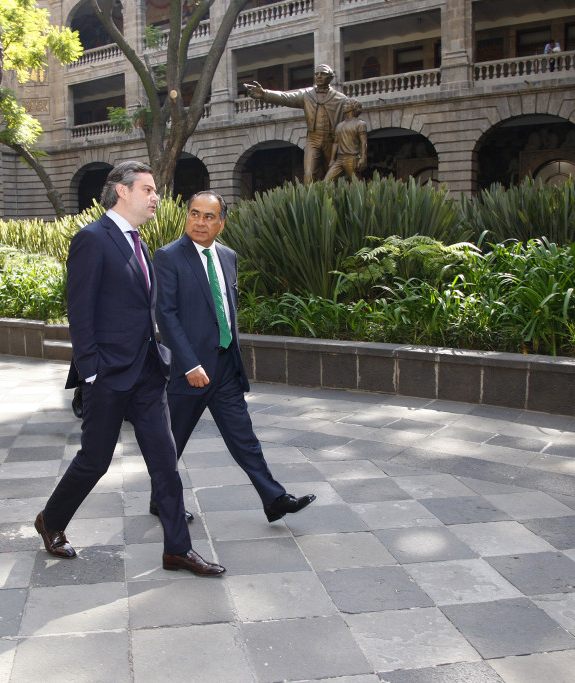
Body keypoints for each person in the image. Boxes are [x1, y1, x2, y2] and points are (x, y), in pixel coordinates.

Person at [34, 161, 225, 577]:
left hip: (148, 373)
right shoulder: (92, 239)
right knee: (95, 460)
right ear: (122, 191)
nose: (157, 197)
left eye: (156, 191)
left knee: (165, 461)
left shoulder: (139, 240)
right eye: (149, 189)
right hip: (109, 373)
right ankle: (51, 520)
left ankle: (178, 549)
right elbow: (80, 312)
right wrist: (92, 372)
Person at [153, 191, 316, 523]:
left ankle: (273, 499)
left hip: (225, 364)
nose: (200, 222)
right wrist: (190, 363)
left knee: (244, 437)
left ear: (221, 223)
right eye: (195, 214)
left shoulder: (228, 257)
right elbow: (165, 316)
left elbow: (225, 309)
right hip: (191, 369)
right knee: (172, 443)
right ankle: (162, 501)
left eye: (209, 216)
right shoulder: (168, 257)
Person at [244, 64, 348, 183]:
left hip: (332, 140)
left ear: (331, 77)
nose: (319, 76)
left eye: (323, 73)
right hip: (313, 140)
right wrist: (264, 94)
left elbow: (349, 125)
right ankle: (310, 200)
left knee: (334, 176)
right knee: (309, 174)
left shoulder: (341, 99)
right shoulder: (306, 95)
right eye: (316, 74)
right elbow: (285, 97)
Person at [323, 99, 368, 182]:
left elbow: (363, 142)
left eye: (347, 105)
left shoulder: (360, 124)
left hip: (351, 158)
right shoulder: (339, 126)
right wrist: (332, 159)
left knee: (356, 183)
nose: (344, 106)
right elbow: (335, 143)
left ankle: (365, 195)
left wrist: (363, 158)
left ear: (353, 108)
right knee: (326, 181)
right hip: (339, 159)